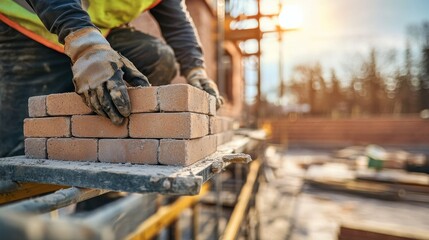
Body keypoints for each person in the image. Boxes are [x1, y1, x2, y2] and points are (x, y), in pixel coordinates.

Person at [0, 0, 223, 157]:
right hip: (26, 25)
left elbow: (178, 22)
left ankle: (105, 169)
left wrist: (196, 69)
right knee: (19, 147)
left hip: (93, 29)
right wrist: (84, 45)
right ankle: (17, 218)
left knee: (157, 56)